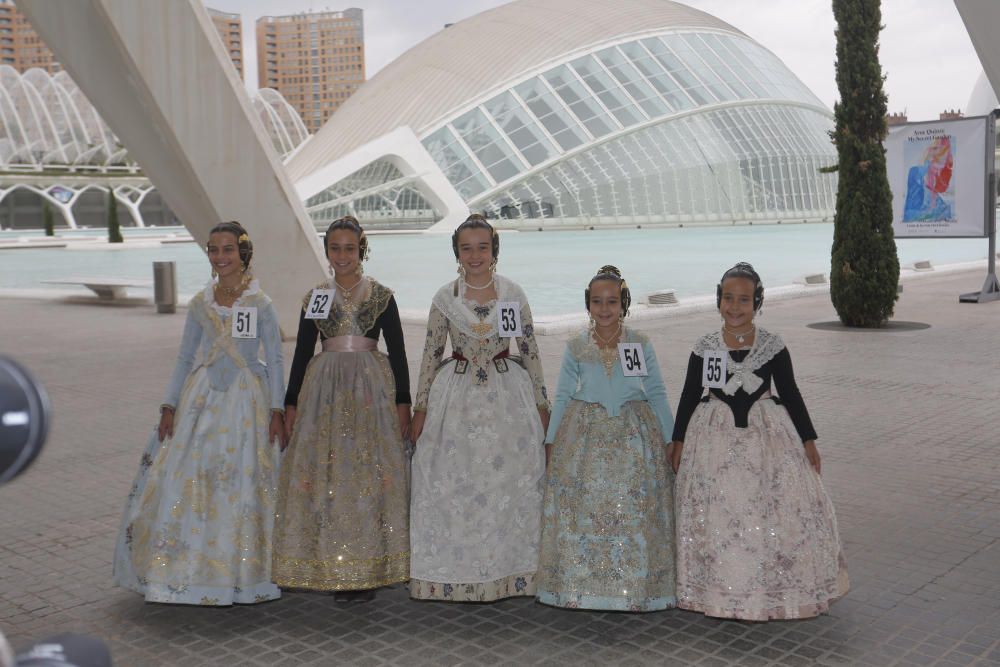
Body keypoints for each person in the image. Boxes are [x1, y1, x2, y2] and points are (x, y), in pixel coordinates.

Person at [113, 221, 286, 605]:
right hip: (202, 402)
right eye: (213, 249)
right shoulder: (198, 303)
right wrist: (169, 405)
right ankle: (184, 572)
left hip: (247, 402)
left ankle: (244, 573)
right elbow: (183, 357)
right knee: (190, 484)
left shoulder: (261, 303)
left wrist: (277, 408)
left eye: (227, 249)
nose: (220, 257)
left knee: (241, 486)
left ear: (243, 253)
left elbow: (274, 357)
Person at [671, 262, 849, 620]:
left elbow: (792, 393)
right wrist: (677, 439)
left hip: (767, 440)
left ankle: (771, 587)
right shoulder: (705, 347)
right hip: (714, 440)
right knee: (720, 510)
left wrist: (809, 439)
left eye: (743, 300)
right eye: (727, 298)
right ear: (718, 300)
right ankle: (719, 588)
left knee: (768, 508)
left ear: (757, 303)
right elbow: (691, 394)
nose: (734, 307)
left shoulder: (772, 346)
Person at [409, 214, 549, 602]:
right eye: (467, 248)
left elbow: (531, 352)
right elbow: (430, 353)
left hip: (509, 396)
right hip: (456, 396)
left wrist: (542, 405)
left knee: (510, 481)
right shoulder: (445, 298)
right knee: (456, 483)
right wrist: (420, 408)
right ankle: (456, 573)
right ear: (457, 252)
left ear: (494, 250)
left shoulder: (513, 294)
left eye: (482, 247)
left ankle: (510, 571)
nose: (475, 255)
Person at [271, 216, 411, 600]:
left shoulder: (381, 295)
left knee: (369, 472)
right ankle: (330, 560)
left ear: (361, 249)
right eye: (336, 248)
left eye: (350, 248)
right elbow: (301, 353)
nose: (343, 255)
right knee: (329, 473)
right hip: (324, 394)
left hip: (371, 393)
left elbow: (398, 353)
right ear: (327, 251)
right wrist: (290, 402)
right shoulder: (315, 297)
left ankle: (371, 563)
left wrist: (403, 402)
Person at [537, 266, 676, 612]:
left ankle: (633, 585)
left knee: (632, 509)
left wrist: (672, 438)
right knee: (584, 509)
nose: (604, 308)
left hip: (633, 437)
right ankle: (581, 585)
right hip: (585, 438)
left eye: (612, 301)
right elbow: (563, 395)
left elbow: (656, 391)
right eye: (597, 301)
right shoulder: (576, 347)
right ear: (588, 304)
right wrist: (551, 440)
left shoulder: (639, 344)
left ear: (624, 303)